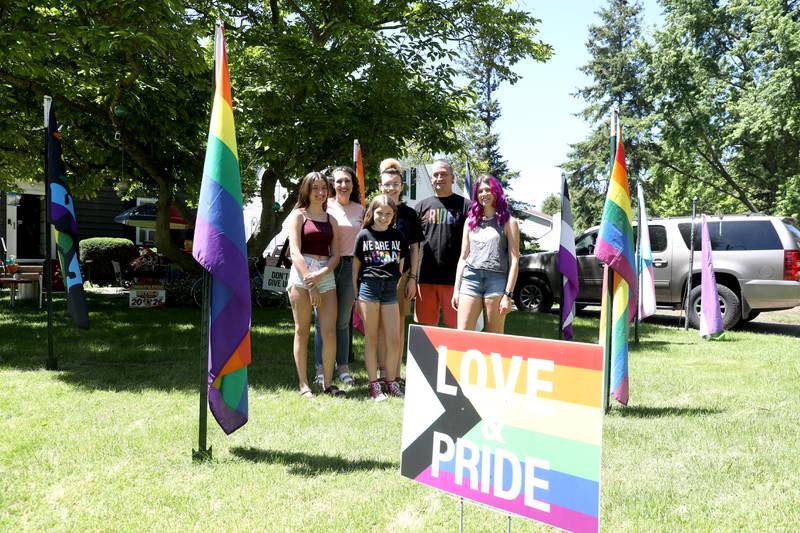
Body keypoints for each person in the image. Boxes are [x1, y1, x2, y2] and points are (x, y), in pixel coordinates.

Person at [286, 171, 344, 397]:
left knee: (329, 333)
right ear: (307, 191)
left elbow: (336, 255)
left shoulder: (332, 220)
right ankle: (304, 384)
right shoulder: (299, 216)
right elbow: (295, 251)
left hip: (325, 273)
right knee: (302, 331)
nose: (320, 192)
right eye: (315, 188)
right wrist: (311, 283)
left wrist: (321, 274)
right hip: (302, 275)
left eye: (323, 188)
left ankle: (328, 383)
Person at [352, 195, 409, 401]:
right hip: (368, 289)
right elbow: (355, 269)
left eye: (388, 214)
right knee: (372, 338)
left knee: (394, 339)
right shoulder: (364, 236)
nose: (383, 217)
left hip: (390, 291)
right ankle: (374, 384)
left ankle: (391, 381)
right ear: (371, 213)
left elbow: (401, 264)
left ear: (393, 215)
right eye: (379, 213)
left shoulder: (398, 236)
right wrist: (357, 296)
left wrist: (394, 281)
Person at [312, 166, 363, 387]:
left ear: (354, 185)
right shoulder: (325, 207)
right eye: (340, 181)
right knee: (322, 322)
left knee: (343, 322)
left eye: (348, 181)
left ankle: (342, 367)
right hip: (327, 265)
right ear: (333, 184)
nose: (344, 185)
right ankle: (321, 369)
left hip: (351, 267)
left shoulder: (362, 210)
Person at [452, 175, 520, 333]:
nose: (484, 194)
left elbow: (514, 260)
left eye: (488, 190)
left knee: (494, 338)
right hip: (470, 280)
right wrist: (456, 289)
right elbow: (463, 257)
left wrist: (508, 295)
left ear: (497, 192)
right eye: (480, 191)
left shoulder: (509, 222)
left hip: (496, 281)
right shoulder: (470, 221)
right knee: (462, 334)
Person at [376, 158, 423, 386]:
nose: (391, 188)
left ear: (401, 187)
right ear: (380, 186)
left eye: (395, 184)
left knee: (398, 326)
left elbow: (415, 248)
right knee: (379, 326)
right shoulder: (373, 211)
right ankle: (382, 372)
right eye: (387, 184)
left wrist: (413, 277)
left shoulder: (409, 214)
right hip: (376, 277)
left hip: (402, 278)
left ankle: (394, 373)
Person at [415, 159, 469, 327]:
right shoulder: (421, 207)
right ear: (431, 179)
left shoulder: (466, 206)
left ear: (452, 178)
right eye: (436, 175)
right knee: (425, 328)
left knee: (456, 328)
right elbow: (413, 244)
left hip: (454, 279)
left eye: (444, 174)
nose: (439, 178)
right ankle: (428, 355)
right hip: (425, 276)